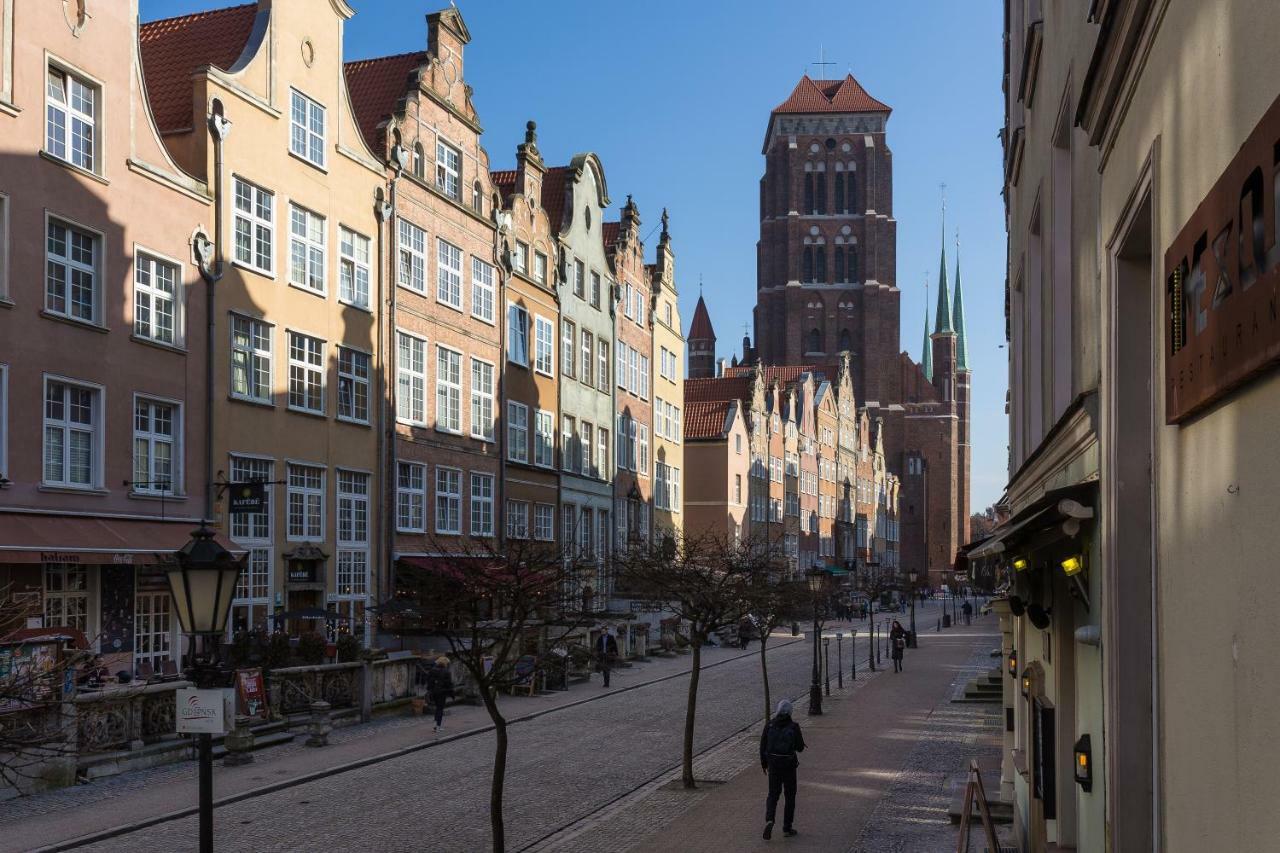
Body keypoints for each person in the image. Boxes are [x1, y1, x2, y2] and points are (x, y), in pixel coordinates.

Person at [760, 699, 806, 839]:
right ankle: (787, 827)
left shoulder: (769, 725)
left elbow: (762, 747)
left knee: (773, 794)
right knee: (790, 795)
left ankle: (770, 819)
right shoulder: (793, 727)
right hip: (789, 765)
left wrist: (764, 764)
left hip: (773, 764)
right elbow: (800, 747)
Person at [425, 656, 454, 732]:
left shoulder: (432, 670)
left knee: (437, 708)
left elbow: (428, 680)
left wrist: (430, 689)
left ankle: (436, 724)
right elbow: (449, 684)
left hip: (434, 692)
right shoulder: (447, 672)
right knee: (440, 709)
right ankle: (438, 726)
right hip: (442, 692)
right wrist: (451, 693)